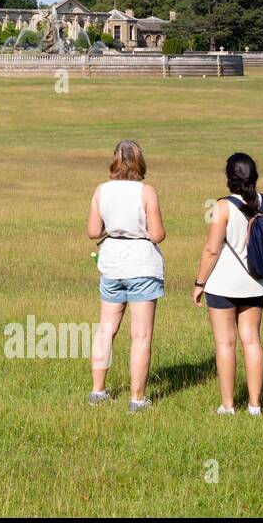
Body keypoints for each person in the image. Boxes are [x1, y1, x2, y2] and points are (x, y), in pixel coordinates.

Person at [86, 140, 166, 412]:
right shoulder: (146, 191)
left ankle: (98, 392)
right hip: (141, 264)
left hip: (111, 263)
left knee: (106, 330)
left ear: (115, 160)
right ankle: (137, 399)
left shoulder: (101, 191)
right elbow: (158, 234)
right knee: (140, 335)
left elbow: (94, 231)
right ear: (139, 161)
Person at [193, 153, 263, 416]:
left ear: (229, 177)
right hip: (257, 283)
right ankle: (255, 405)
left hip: (223, 284)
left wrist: (199, 283)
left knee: (225, 343)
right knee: (251, 340)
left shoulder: (222, 206)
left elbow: (211, 250)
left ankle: (228, 406)